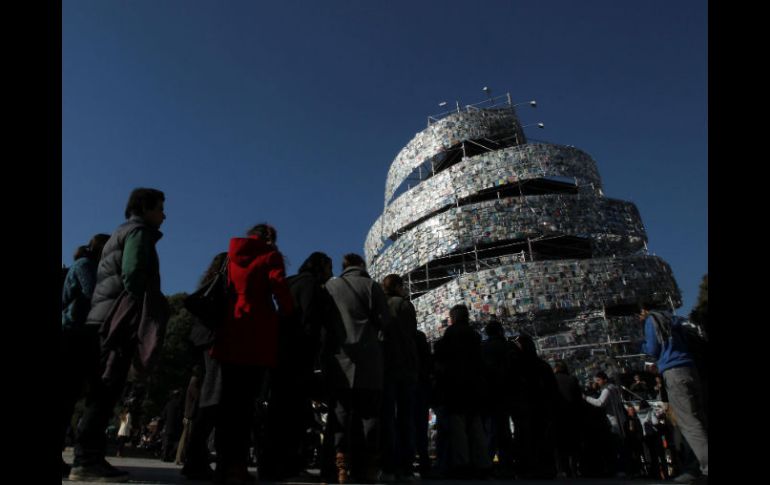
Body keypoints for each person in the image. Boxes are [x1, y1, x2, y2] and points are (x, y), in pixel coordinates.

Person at [69, 188, 170, 482]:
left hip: (102, 317)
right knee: (106, 391)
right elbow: (133, 274)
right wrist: (148, 306)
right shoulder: (138, 233)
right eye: (160, 208)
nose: (164, 215)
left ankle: (90, 457)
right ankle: (86, 461)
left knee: (102, 390)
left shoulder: (119, 233)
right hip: (119, 320)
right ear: (146, 208)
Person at [210, 223, 293, 485]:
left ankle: (223, 465)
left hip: (231, 330)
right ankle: (238, 467)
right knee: (247, 405)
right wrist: (289, 313)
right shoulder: (270, 255)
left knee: (228, 403)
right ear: (269, 237)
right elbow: (279, 286)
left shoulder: (232, 256)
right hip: (257, 333)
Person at [262, 251, 335, 480]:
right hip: (299, 356)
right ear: (320, 266)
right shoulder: (311, 286)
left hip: (279, 354)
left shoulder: (290, 283)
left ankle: (270, 464)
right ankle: (289, 465)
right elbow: (311, 322)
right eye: (329, 268)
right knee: (294, 414)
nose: (331, 274)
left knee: (278, 412)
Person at [324, 253, 391, 484]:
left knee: (341, 413)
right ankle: (368, 468)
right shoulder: (372, 286)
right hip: (369, 360)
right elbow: (386, 321)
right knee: (369, 413)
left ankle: (341, 466)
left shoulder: (331, 286)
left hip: (340, 359)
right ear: (361, 265)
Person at [640, 300, 708, 484]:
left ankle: (705, 466)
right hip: (690, 368)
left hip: (673, 371)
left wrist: (643, 347)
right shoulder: (675, 319)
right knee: (699, 417)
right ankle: (695, 466)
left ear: (645, 309)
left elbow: (653, 349)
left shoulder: (652, 320)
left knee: (688, 421)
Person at [61, 234, 110, 477]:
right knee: (67, 395)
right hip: (72, 334)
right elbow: (93, 293)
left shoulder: (87, 265)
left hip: (79, 334)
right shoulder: (85, 266)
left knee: (70, 396)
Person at [181, 253, 227, 480]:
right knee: (213, 398)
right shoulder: (221, 285)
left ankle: (194, 456)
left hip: (204, 343)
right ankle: (196, 456)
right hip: (215, 343)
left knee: (209, 398)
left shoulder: (208, 285)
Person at [432, 304, 492, 479]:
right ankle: (482, 463)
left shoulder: (451, 334)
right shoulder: (474, 335)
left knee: (458, 428)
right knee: (475, 426)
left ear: (453, 317)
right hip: (473, 388)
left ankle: (462, 463)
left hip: (455, 388)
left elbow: (441, 356)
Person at [379, 274, 419, 481]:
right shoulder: (404, 305)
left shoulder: (379, 306)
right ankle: (406, 467)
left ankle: (387, 466)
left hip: (385, 367)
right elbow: (411, 334)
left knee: (386, 418)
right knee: (406, 418)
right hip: (405, 367)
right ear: (397, 287)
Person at [480, 320, 514, 477]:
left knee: (491, 431)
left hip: (488, 395)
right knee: (504, 431)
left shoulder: (483, 348)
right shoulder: (507, 347)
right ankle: (505, 465)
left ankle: (486, 464)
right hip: (505, 394)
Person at [583, 371, 628, 478]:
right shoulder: (614, 388)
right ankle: (625, 469)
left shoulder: (606, 390)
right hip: (620, 419)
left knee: (616, 447)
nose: (597, 383)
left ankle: (620, 469)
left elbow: (600, 403)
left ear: (604, 379)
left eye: (598, 380)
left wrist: (586, 398)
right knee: (621, 446)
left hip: (613, 421)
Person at [552, 361, 582, 478]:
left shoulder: (552, 380)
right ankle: (573, 468)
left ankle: (562, 469)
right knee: (573, 443)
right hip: (571, 416)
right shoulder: (572, 379)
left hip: (557, 416)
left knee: (559, 445)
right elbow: (578, 399)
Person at [176, 365, 203, 465]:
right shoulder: (194, 382)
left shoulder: (192, 382)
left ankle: (181, 457)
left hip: (189, 413)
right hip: (190, 414)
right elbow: (198, 397)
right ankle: (181, 457)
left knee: (186, 436)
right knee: (186, 436)